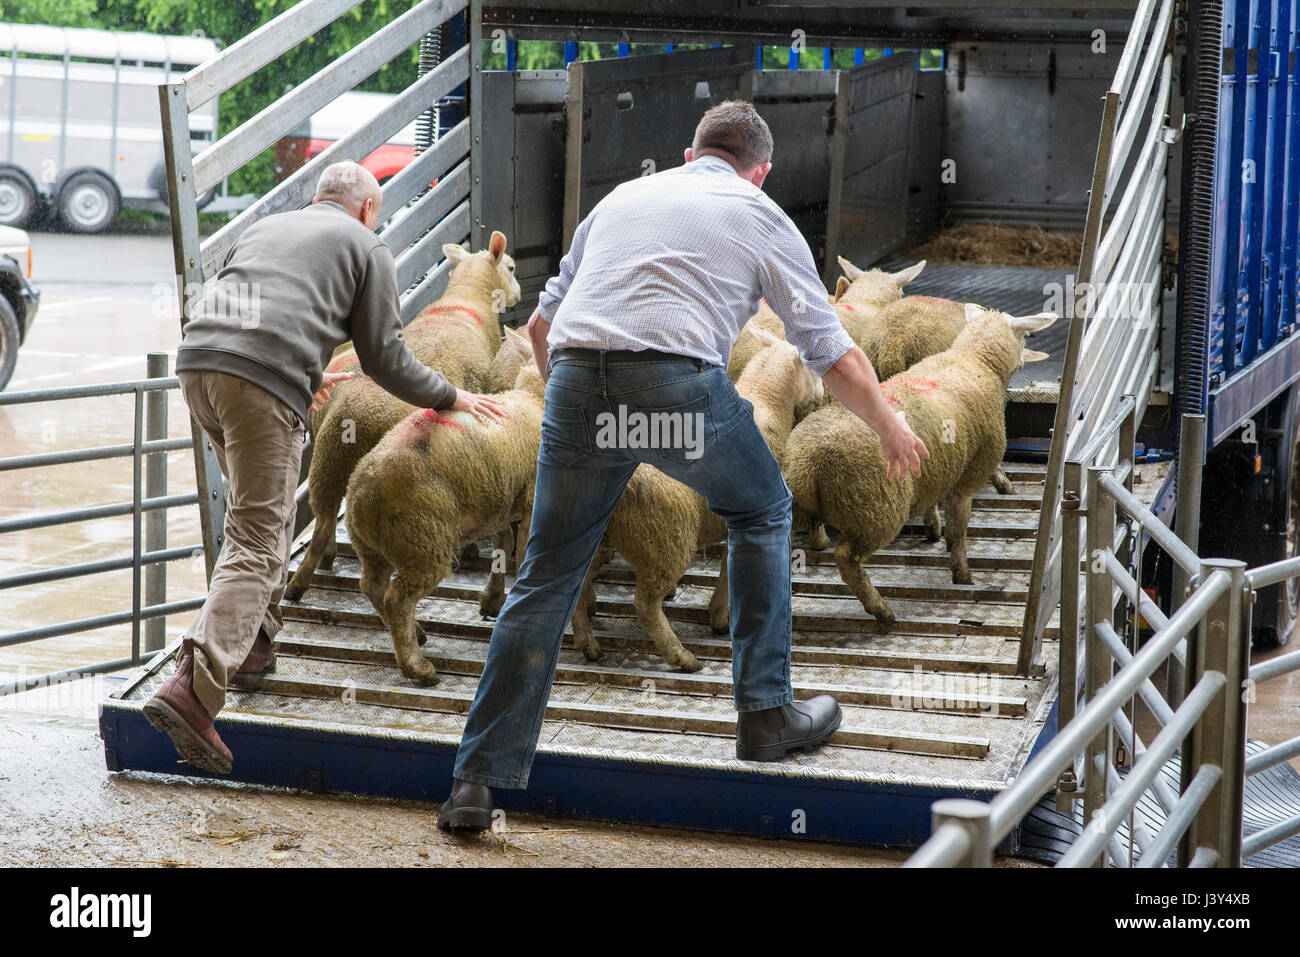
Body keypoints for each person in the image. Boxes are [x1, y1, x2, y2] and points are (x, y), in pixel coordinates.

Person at [436, 101, 929, 831]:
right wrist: (889, 423)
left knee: (545, 574)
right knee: (761, 508)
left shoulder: (621, 198)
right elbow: (827, 345)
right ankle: (765, 713)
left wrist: (575, 404)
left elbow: (541, 326)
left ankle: (475, 782)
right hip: (674, 388)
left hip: (574, 379)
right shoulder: (759, 213)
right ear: (760, 172)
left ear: (689, 149)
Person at [145, 161, 507, 774]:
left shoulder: (266, 227)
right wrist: (453, 397)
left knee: (255, 518)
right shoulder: (367, 246)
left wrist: (297, 373)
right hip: (259, 383)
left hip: (200, 367)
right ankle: (194, 689)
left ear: (320, 199)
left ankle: (254, 646)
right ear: (368, 209)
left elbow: (243, 307)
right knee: (260, 542)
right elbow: (386, 357)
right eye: (381, 214)